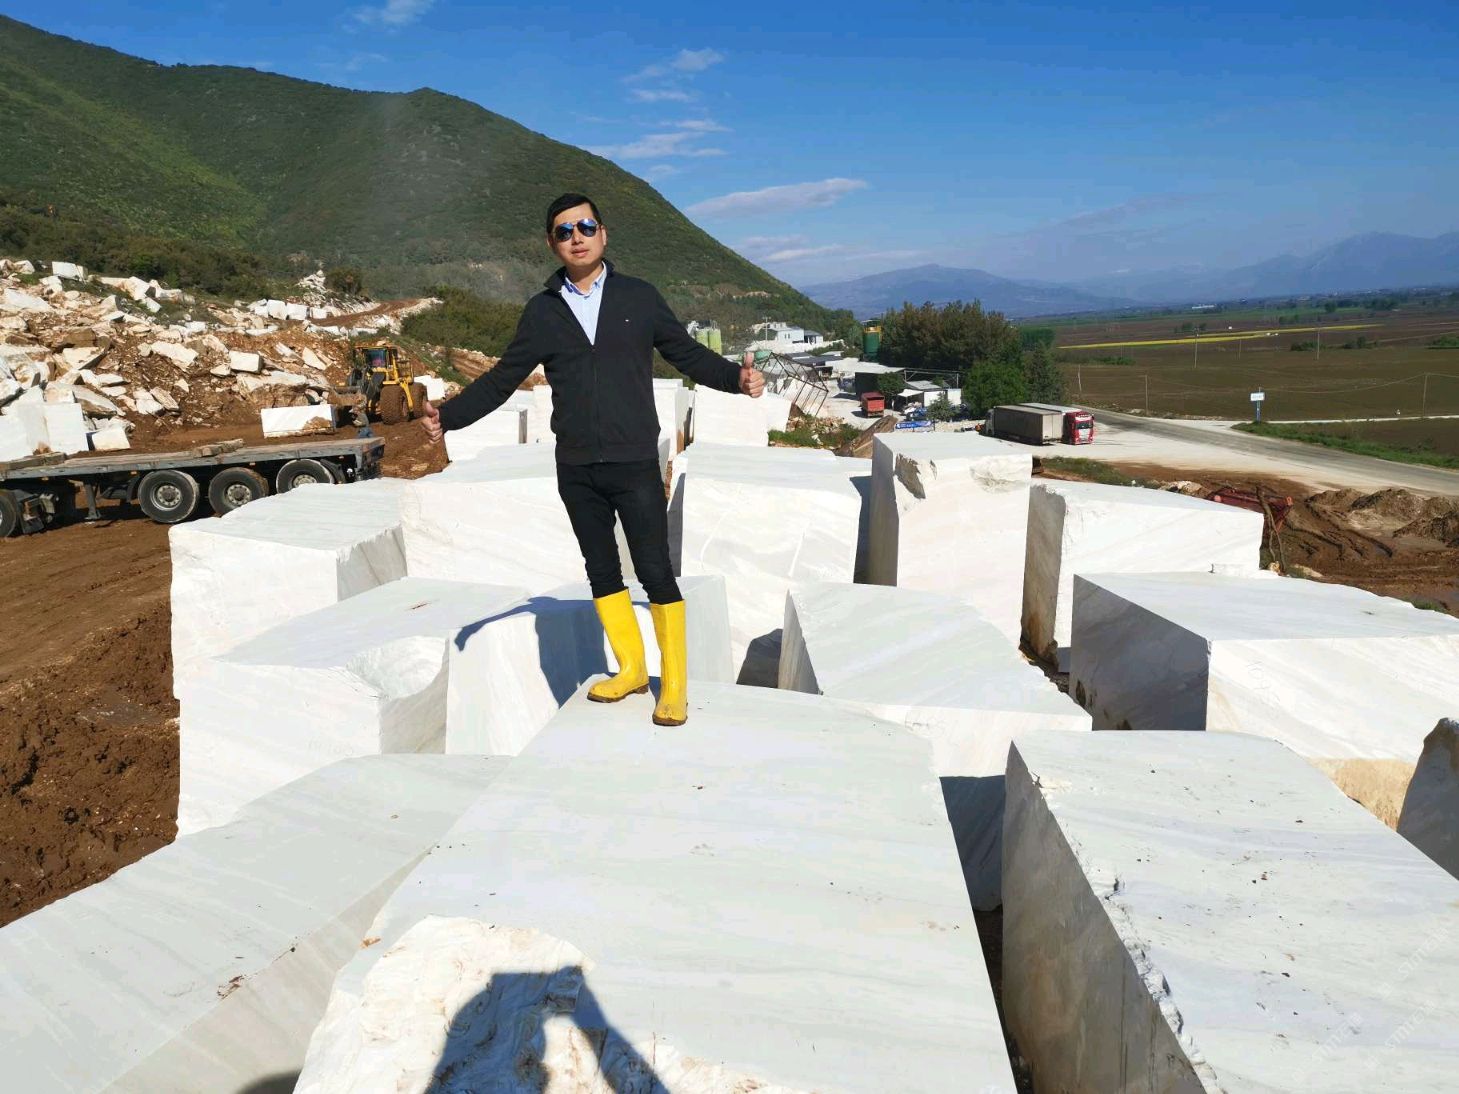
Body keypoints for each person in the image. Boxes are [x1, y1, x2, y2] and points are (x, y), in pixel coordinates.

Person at [421, 192, 765, 727]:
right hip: (577, 466)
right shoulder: (542, 312)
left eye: (585, 227)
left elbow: (685, 353)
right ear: (551, 244)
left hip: (634, 461)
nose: (576, 238)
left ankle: (674, 685)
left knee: (654, 570)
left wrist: (735, 379)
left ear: (603, 234)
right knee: (601, 569)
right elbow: (503, 377)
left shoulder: (638, 297)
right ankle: (631, 670)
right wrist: (449, 416)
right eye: (564, 231)